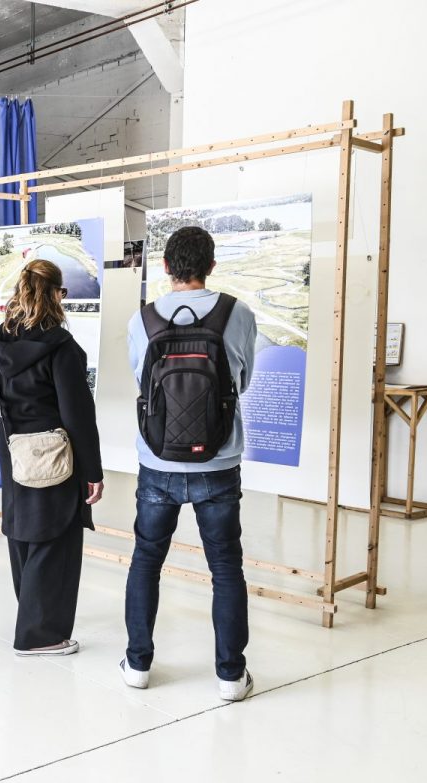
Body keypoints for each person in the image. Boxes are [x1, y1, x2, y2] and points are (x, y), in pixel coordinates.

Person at [122, 226, 258, 701]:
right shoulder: (237, 313)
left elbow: (143, 383)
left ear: (165, 267)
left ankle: (138, 665)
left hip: (157, 461)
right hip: (218, 462)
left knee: (146, 560)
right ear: (211, 266)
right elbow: (241, 380)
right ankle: (230, 676)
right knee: (226, 567)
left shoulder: (142, 319)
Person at [0, 259, 104, 657]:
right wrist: (93, 471)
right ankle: (40, 636)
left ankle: (32, 617)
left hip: (13, 449)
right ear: (54, 294)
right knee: (56, 537)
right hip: (54, 453)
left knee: (22, 531)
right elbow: (77, 416)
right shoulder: (62, 348)